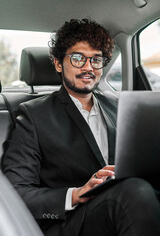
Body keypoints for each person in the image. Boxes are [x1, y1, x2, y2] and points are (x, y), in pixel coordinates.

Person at [2, 19, 160, 236]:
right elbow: (14, 193)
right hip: (72, 223)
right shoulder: (33, 115)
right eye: (78, 58)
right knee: (135, 192)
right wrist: (76, 194)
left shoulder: (122, 107)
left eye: (96, 59)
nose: (88, 67)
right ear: (58, 63)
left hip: (127, 210)